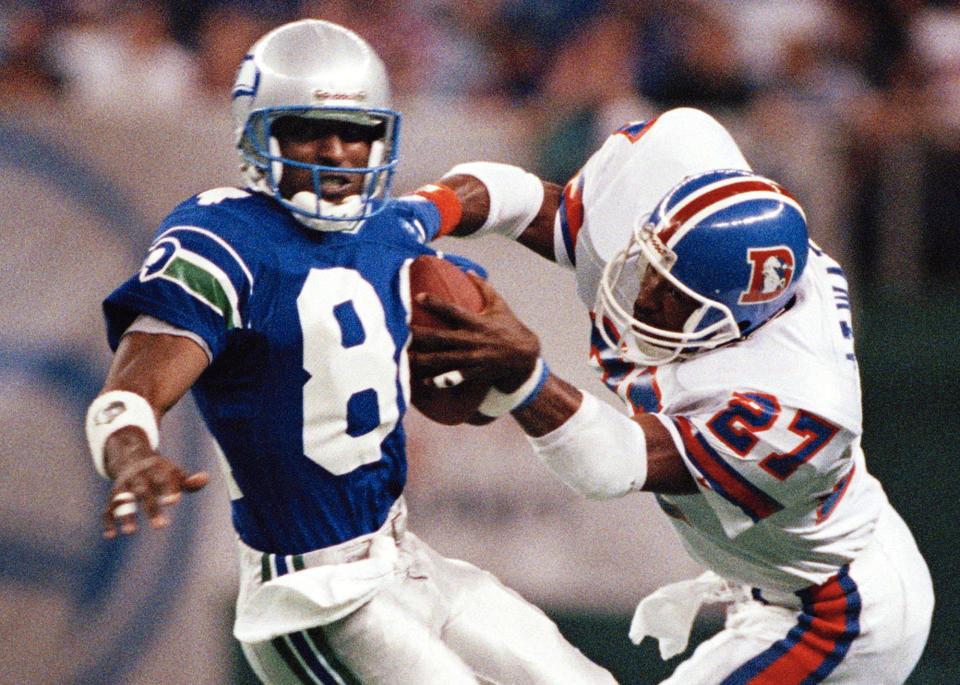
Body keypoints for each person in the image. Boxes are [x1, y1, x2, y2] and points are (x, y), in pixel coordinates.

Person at [83, 19, 618, 685]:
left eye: (358, 132)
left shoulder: (392, 229)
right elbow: (129, 391)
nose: (336, 151)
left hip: (403, 561)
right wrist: (132, 452)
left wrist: (501, 363)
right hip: (307, 597)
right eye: (308, 129)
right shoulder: (220, 238)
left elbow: (484, 194)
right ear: (258, 132)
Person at [408, 107, 934, 683]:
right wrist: (419, 214)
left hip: (836, 615)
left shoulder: (799, 411)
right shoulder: (687, 188)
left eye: (671, 295)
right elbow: (534, 203)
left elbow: (611, 464)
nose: (644, 295)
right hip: (773, 584)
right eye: (650, 268)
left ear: (732, 324)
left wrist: (523, 377)